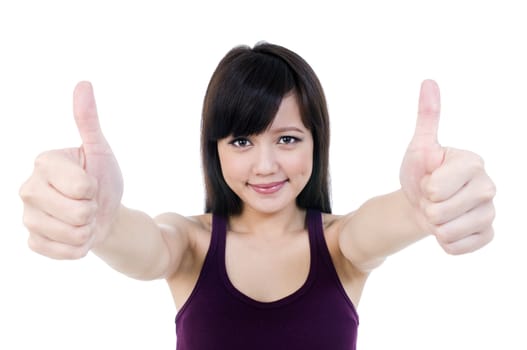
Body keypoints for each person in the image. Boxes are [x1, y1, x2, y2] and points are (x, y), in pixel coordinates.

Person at [19, 42, 496, 349]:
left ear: (316, 143)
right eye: (242, 141)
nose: (265, 165)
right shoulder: (189, 244)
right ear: (216, 151)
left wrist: (422, 209)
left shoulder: (340, 246)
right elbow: (143, 244)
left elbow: (381, 223)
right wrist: (100, 225)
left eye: (287, 139)